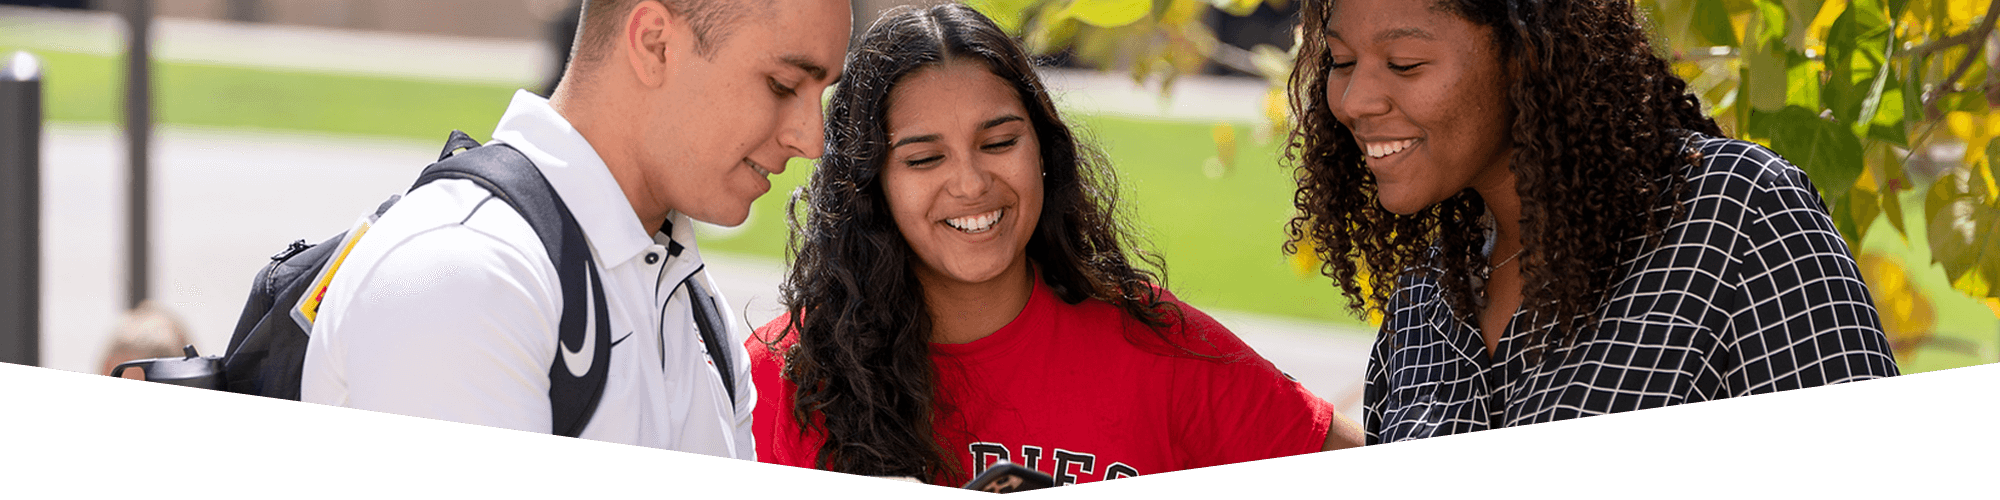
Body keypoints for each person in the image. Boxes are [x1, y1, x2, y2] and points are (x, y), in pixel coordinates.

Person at [747, 4, 1363, 487]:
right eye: (925, 158)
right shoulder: (782, 375)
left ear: (1044, 150)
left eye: (999, 142)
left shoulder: (1159, 349)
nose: (970, 183)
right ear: (872, 185)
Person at [1283, 0, 1900, 444]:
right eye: (1340, 60)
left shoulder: (1733, 217)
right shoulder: (1424, 298)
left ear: (1527, 53)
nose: (1355, 99)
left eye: (1406, 63)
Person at [299, 0, 849, 456]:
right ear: (656, 43)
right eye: (782, 85)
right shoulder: (465, 275)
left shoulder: (693, 300)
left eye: (820, 95)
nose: (811, 139)